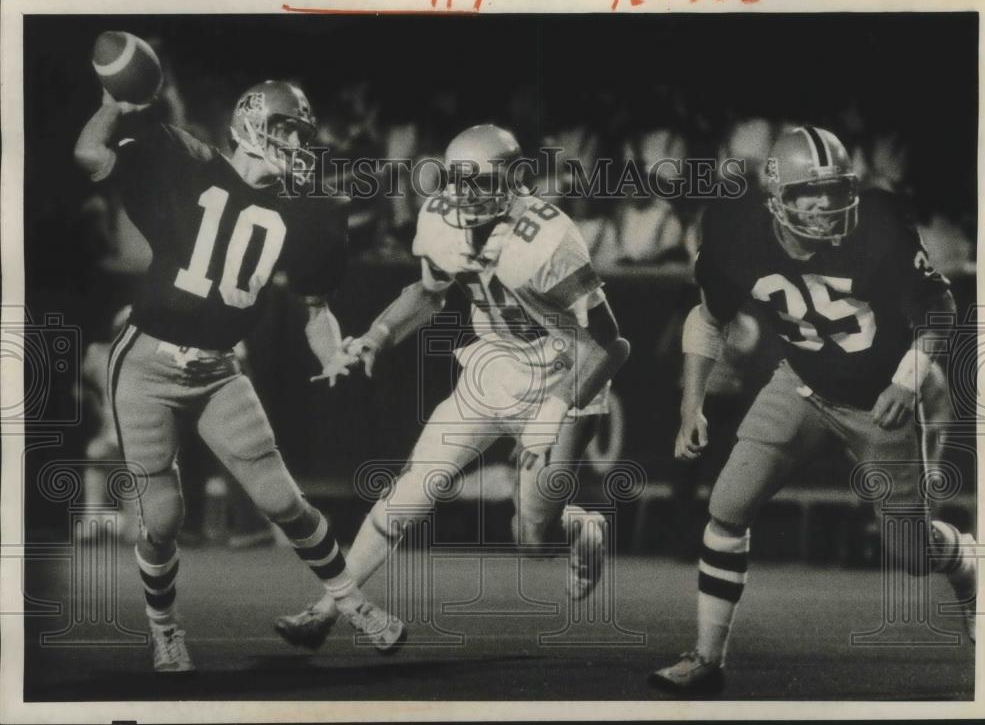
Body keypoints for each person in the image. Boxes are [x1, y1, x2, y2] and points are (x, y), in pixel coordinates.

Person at [73, 78, 404, 672]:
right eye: (283, 129)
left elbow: (316, 311)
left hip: (220, 369)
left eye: (299, 133)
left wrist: (332, 353)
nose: (293, 143)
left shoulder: (309, 212)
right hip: (147, 362)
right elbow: (90, 157)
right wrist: (109, 110)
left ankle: (351, 601)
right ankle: (164, 627)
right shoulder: (184, 158)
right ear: (248, 122)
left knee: (286, 502)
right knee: (163, 519)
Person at [648, 126, 977, 696]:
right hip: (800, 384)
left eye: (835, 189)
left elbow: (940, 307)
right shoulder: (736, 229)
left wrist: (907, 379)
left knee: (914, 556)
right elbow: (708, 317)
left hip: (880, 399)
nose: (827, 206)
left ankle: (970, 562)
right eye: (810, 193)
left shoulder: (878, 226)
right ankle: (707, 657)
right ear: (777, 197)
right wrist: (691, 401)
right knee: (727, 506)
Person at [275, 124, 631, 647]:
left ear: (516, 179)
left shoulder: (552, 237)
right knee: (411, 490)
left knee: (532, 536)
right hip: (493, 370)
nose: (468, 194)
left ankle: (581, 527)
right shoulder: (440, 216)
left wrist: (553, 413)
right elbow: (429, 292)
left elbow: (610, 345)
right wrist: (378, 333)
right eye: (459, 180)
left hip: (567, 374)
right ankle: (329, 608)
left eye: (483, 181)